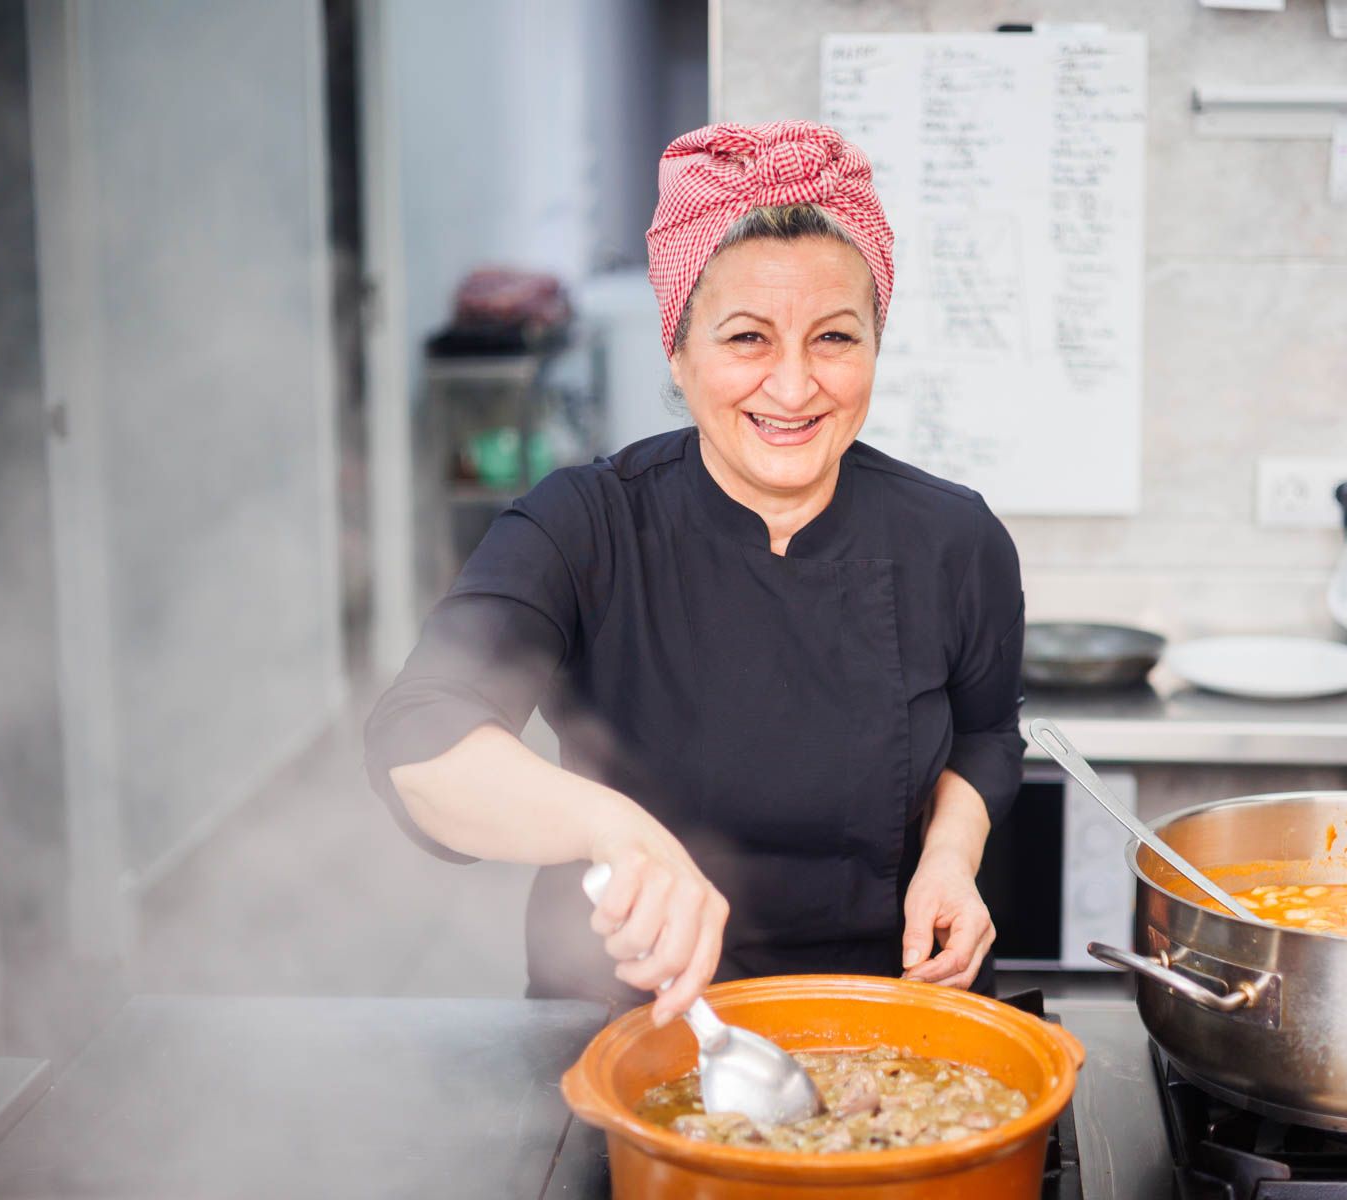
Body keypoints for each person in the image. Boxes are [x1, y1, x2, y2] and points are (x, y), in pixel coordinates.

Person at [364, 121, 1025, 1027]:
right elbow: (417, 738)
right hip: (622, 1023)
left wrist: (950, 857)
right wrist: (612, 827)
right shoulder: (582, 526)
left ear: (876, 345)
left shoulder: (955, 536)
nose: (793, 389)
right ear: (677, 352)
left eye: (834, 337)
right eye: (747, 338)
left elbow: (986, 736)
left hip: (885, 1016)